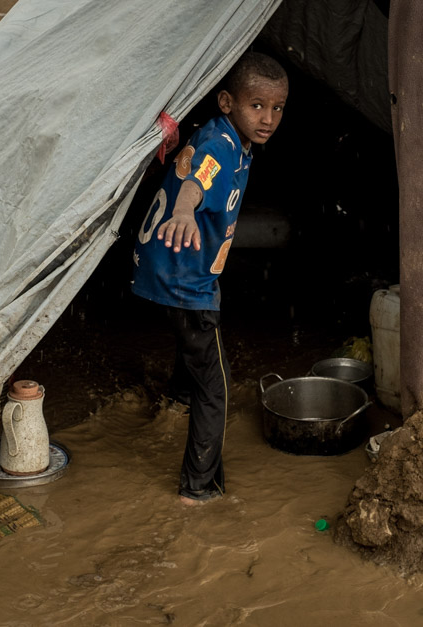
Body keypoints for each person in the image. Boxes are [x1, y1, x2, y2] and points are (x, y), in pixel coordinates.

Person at [131, 51, 288, 505]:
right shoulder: (220, 146)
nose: (268, 118)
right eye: (256, 105)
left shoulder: (228, 138)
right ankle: (197, 492)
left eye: (277, 108)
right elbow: (196, 182)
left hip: (170, 267)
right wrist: (184, 211)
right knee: (217, 389)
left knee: (193, 350)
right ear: (226, 102)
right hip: (185, 277)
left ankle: (175, 401)